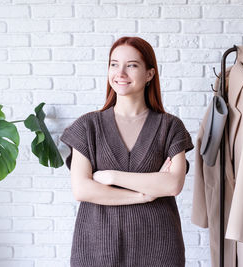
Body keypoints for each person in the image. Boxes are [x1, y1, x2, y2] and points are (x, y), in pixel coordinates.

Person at [60, 36, 194, 267]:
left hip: (158, 248)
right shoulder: (87, 126)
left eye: (131, 65)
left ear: (150, 74)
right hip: (97, 248)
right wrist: (144, 195)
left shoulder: (170, 127)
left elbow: (172, 185)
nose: (120, 73)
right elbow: (82, 189)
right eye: (114, 64)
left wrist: (111, 177)